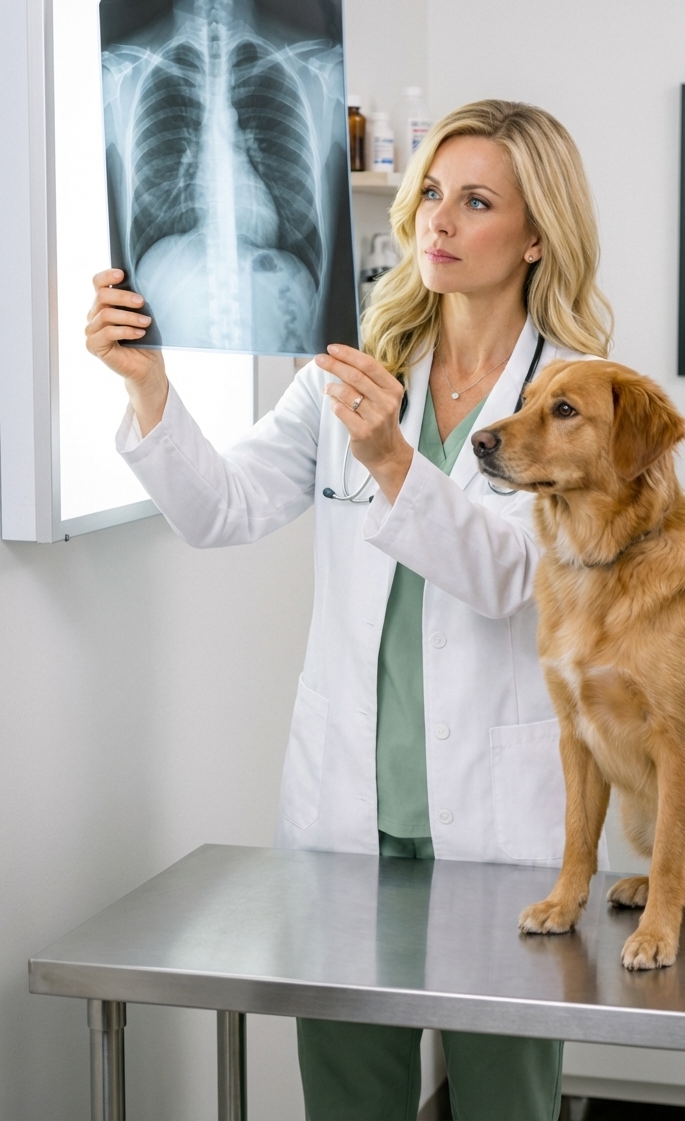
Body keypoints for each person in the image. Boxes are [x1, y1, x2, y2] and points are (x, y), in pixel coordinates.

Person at [86, 99, 614, 1121]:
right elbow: (220, 509)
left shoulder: (571, 397)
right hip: (348, 820)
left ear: (539, 234)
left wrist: (390, 459)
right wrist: (149, 386)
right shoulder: (357, 372)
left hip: (502, 827)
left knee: (508, 1101)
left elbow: (514, 573)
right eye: (430, 194)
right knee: (349, 1102)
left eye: (475, 201)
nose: (438, 221)